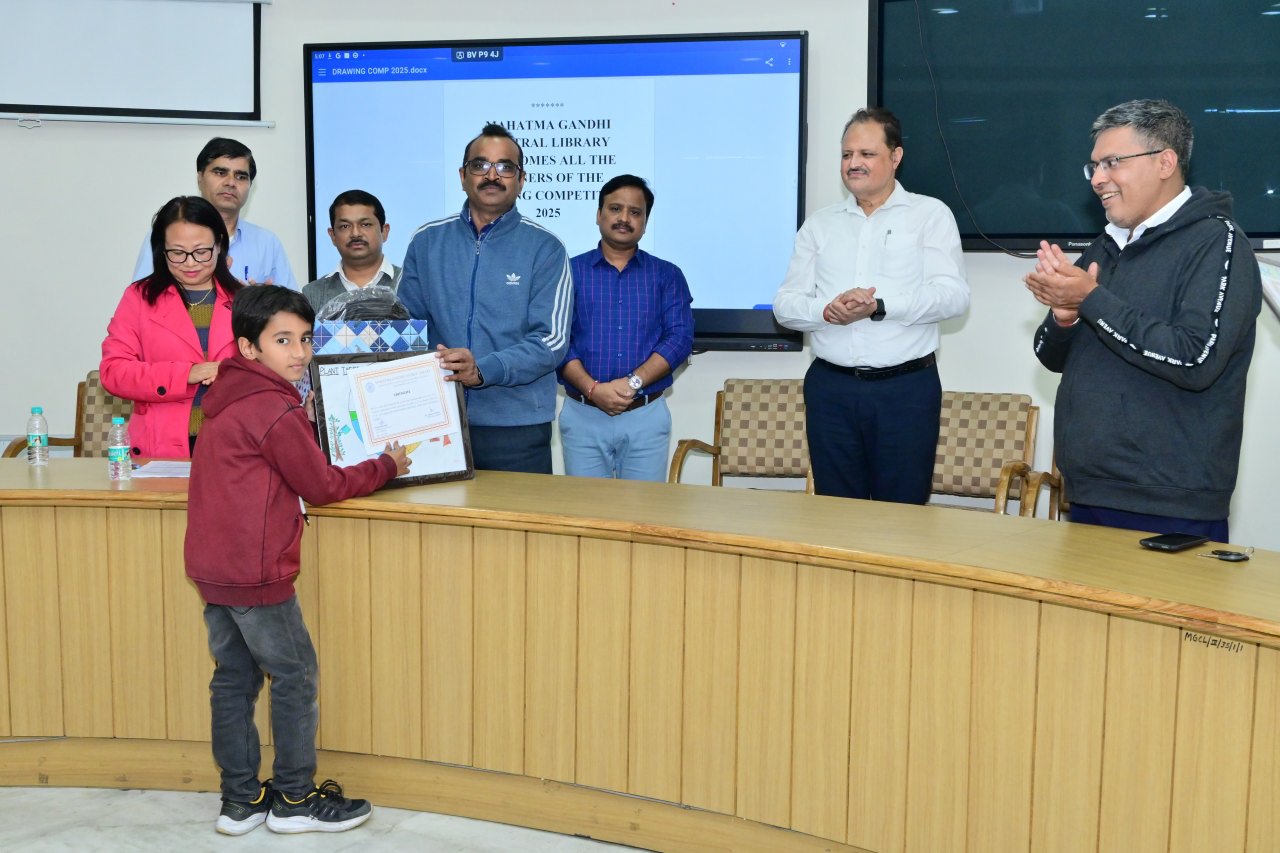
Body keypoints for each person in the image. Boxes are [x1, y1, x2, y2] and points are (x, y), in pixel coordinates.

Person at [185, 285, 410, 836]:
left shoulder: (232, 394)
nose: (300, 352)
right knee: (295, 674)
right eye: (282, 340)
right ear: (249, 347)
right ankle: (294, 798)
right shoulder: (272, 405)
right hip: (257, 569)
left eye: (306, 339)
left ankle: (240, 801)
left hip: (214, 567)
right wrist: (386, 466)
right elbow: (322, 485)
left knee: (234, 680)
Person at [1025, 99, 1261, 540]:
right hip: (1090, 490)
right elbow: (1052, 359)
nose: (1097, 179)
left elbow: (1195, 359)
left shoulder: (1217, 242)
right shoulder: (1106, 245)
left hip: (1170, 500)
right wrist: (1064, 317)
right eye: (1094, 166)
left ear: (1165, 162)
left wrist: (1092, 299)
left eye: (1112, 162)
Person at [773, 107, 969, 502]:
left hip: (905, 390)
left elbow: (953, 297)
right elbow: (785, 304)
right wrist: (826, 311)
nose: (853, 163)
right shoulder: (820, 224)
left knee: (901, 514)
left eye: (866, 154)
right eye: (847, 155)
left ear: (896, 157)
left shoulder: (930, 215)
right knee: (837, 513)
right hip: (831, 389)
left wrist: (880, 306)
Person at [398, 123, 573, 474]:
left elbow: (550, 341)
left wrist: (482, 370)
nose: (492, 175)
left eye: (505, 167)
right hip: (436, 420)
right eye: (480, 165)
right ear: (462, 176)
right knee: (436, 514)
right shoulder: (427, 241)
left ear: (521, 180)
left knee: (519, 514)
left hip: (516, 428)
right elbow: (404, 326)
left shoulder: (546, 248)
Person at [558, 175, 693, 480]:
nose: (624, 218)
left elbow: (679, 338)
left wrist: (632, 383)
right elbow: (557, 340)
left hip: (645, 415)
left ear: (645, 222)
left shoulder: (667, 275)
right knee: (585, 508)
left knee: (644, 508)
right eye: (615, 208)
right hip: (583, 415)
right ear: (599, 215)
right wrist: (593, 389)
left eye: (635, 212)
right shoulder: (567, 272)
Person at [101, 196, 244, 458]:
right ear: (161, 250)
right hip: (160, 447)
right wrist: (185, 374)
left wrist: (232, 372)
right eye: (177, 253)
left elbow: (270, 371)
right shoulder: (139, 298)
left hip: (235, 445)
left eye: (201, 251)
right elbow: (114, 372)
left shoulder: (245, 299)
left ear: (219, 245)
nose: (190, 263)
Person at [132, 137, 296, 288]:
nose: (231, 182)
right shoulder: (169, 235)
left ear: (250, 186)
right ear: (200, 178)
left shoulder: (267, 242)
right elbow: (143, 297)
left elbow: (294, 307)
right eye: (220, 173)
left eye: (240, 177)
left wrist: (264, 302)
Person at [303, 189, 401, 314]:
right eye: (345, 226)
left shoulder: (411, 285)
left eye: (365, 224)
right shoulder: (312, 295)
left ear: (384, 231)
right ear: (332, 235)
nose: (355, 233)